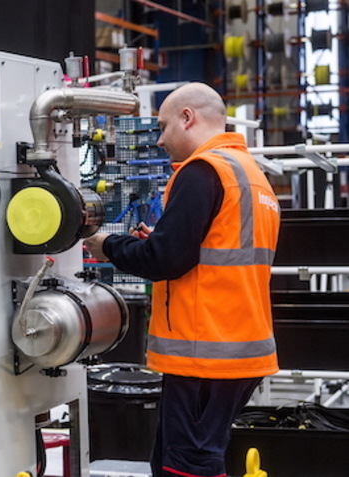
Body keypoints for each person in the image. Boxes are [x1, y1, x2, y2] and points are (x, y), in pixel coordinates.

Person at [83, 82, 280, 477]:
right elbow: (207, 253)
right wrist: (161, 240)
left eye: (163, 126)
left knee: (187, 468)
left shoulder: (202, 171)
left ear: (188, 118)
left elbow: (164, 260)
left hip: (205, 353)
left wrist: (108, 245)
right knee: (184, 460)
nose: (159, 140)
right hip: (237, 349)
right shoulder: (251, 176)